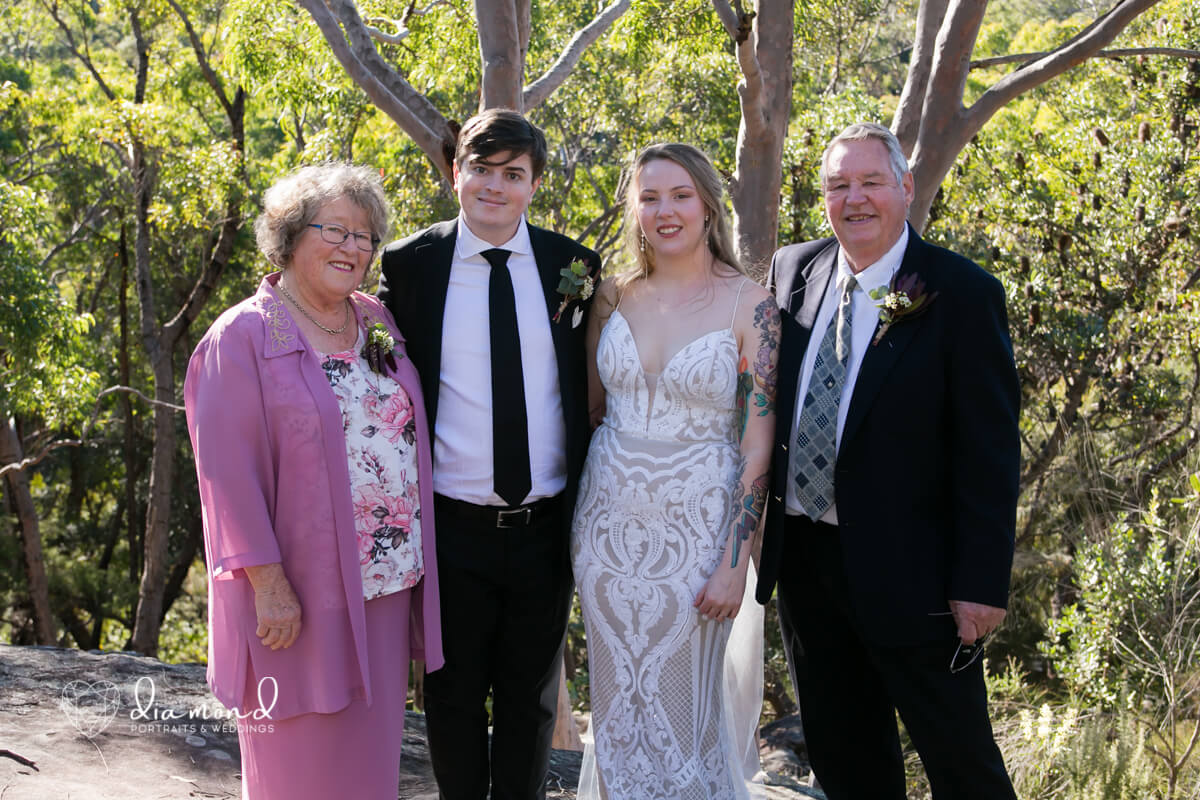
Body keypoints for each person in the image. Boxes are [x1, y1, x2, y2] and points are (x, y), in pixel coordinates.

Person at [756, 122, 1020, 799]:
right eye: (838, 185)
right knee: (846, 764)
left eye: (871, 181)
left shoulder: (961, 292)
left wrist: (981, 582)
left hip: (918, 578)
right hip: (807, 565)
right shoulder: (794, 271)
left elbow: (989, 452)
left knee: (962, 764)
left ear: (905, 186)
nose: (855, 199)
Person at [184, 163, 443, 800]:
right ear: (290, 236)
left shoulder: (373, 318)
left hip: (384, 586)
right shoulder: (242, 336)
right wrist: (269, 586)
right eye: (335, 230)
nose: (352, 247)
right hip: (299, 597)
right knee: (299, 764)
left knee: (369, 764)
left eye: (364, 237)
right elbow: (225, 477)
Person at [377, 109, 601, 800]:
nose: (495, 186)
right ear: (456, 173)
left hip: (545, 527)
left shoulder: (573, 267)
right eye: (481, 169)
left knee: (531, 703)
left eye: (513, 173)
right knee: (451, 695)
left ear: (534, 184)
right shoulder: (410, 265)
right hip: (450, 528)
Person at [571, 142, 780, 799]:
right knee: (617, 707)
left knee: (688, 717)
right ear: (634, 210)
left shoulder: (752, 305)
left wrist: (734, 563)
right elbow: (591, 412)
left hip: (698, 537)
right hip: (606, 536)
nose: (666, 211)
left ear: (708, 206)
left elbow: (757, 446)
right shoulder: (611, 296)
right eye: (650, 197)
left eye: (681, 195)